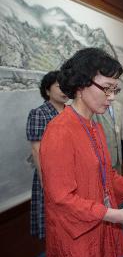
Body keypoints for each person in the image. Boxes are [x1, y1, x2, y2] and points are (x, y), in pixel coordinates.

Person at [39, 48, 123, 257]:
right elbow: (61, 198)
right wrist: (115, 215)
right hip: (76, 235)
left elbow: (106, 175)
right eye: (106, 89)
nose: (111, 97)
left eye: (115, 90)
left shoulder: (93, 126)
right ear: (81, 85)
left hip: (98, 222)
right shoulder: (59, 131)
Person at [26, 70, 68, 239]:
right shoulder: (39, 113)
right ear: (48, 90)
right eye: (59, 86)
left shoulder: (71, 112)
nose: (64, 90)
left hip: (71, 172)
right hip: (50, 175)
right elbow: (37, 149)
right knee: (54, 227)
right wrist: (45, 180)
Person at [93, 102, 123, 172]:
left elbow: (120, 130)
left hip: (118, 157)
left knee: (118, 180)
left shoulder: (118, 105)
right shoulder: (96, 107)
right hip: (104, 159)